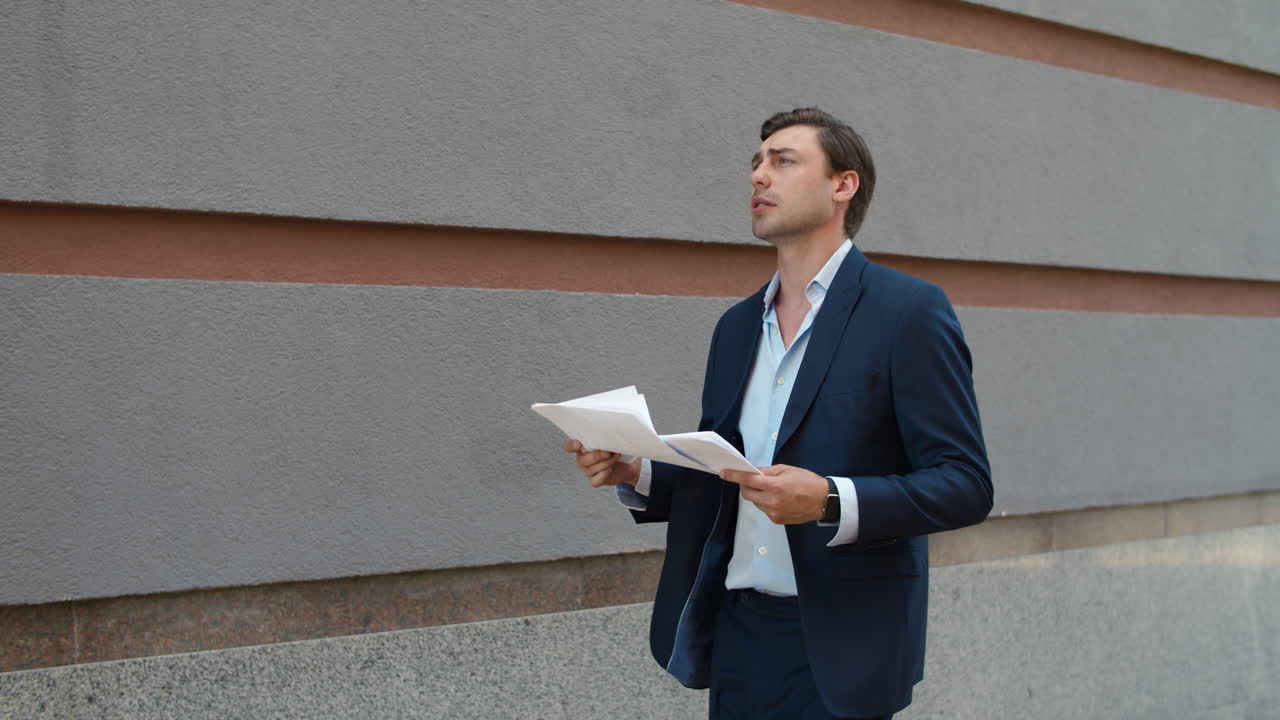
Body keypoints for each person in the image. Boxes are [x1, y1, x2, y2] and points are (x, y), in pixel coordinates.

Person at [564, 108, 992, 719]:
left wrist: (830, 501)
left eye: (783, 161)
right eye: (757, 163)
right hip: (737, 630)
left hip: (844, 645)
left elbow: (966, 485)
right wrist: (636, 470)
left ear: (843, 185)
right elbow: (731, 474)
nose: (759, 177)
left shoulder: (908, 312)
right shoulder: (737, 327)